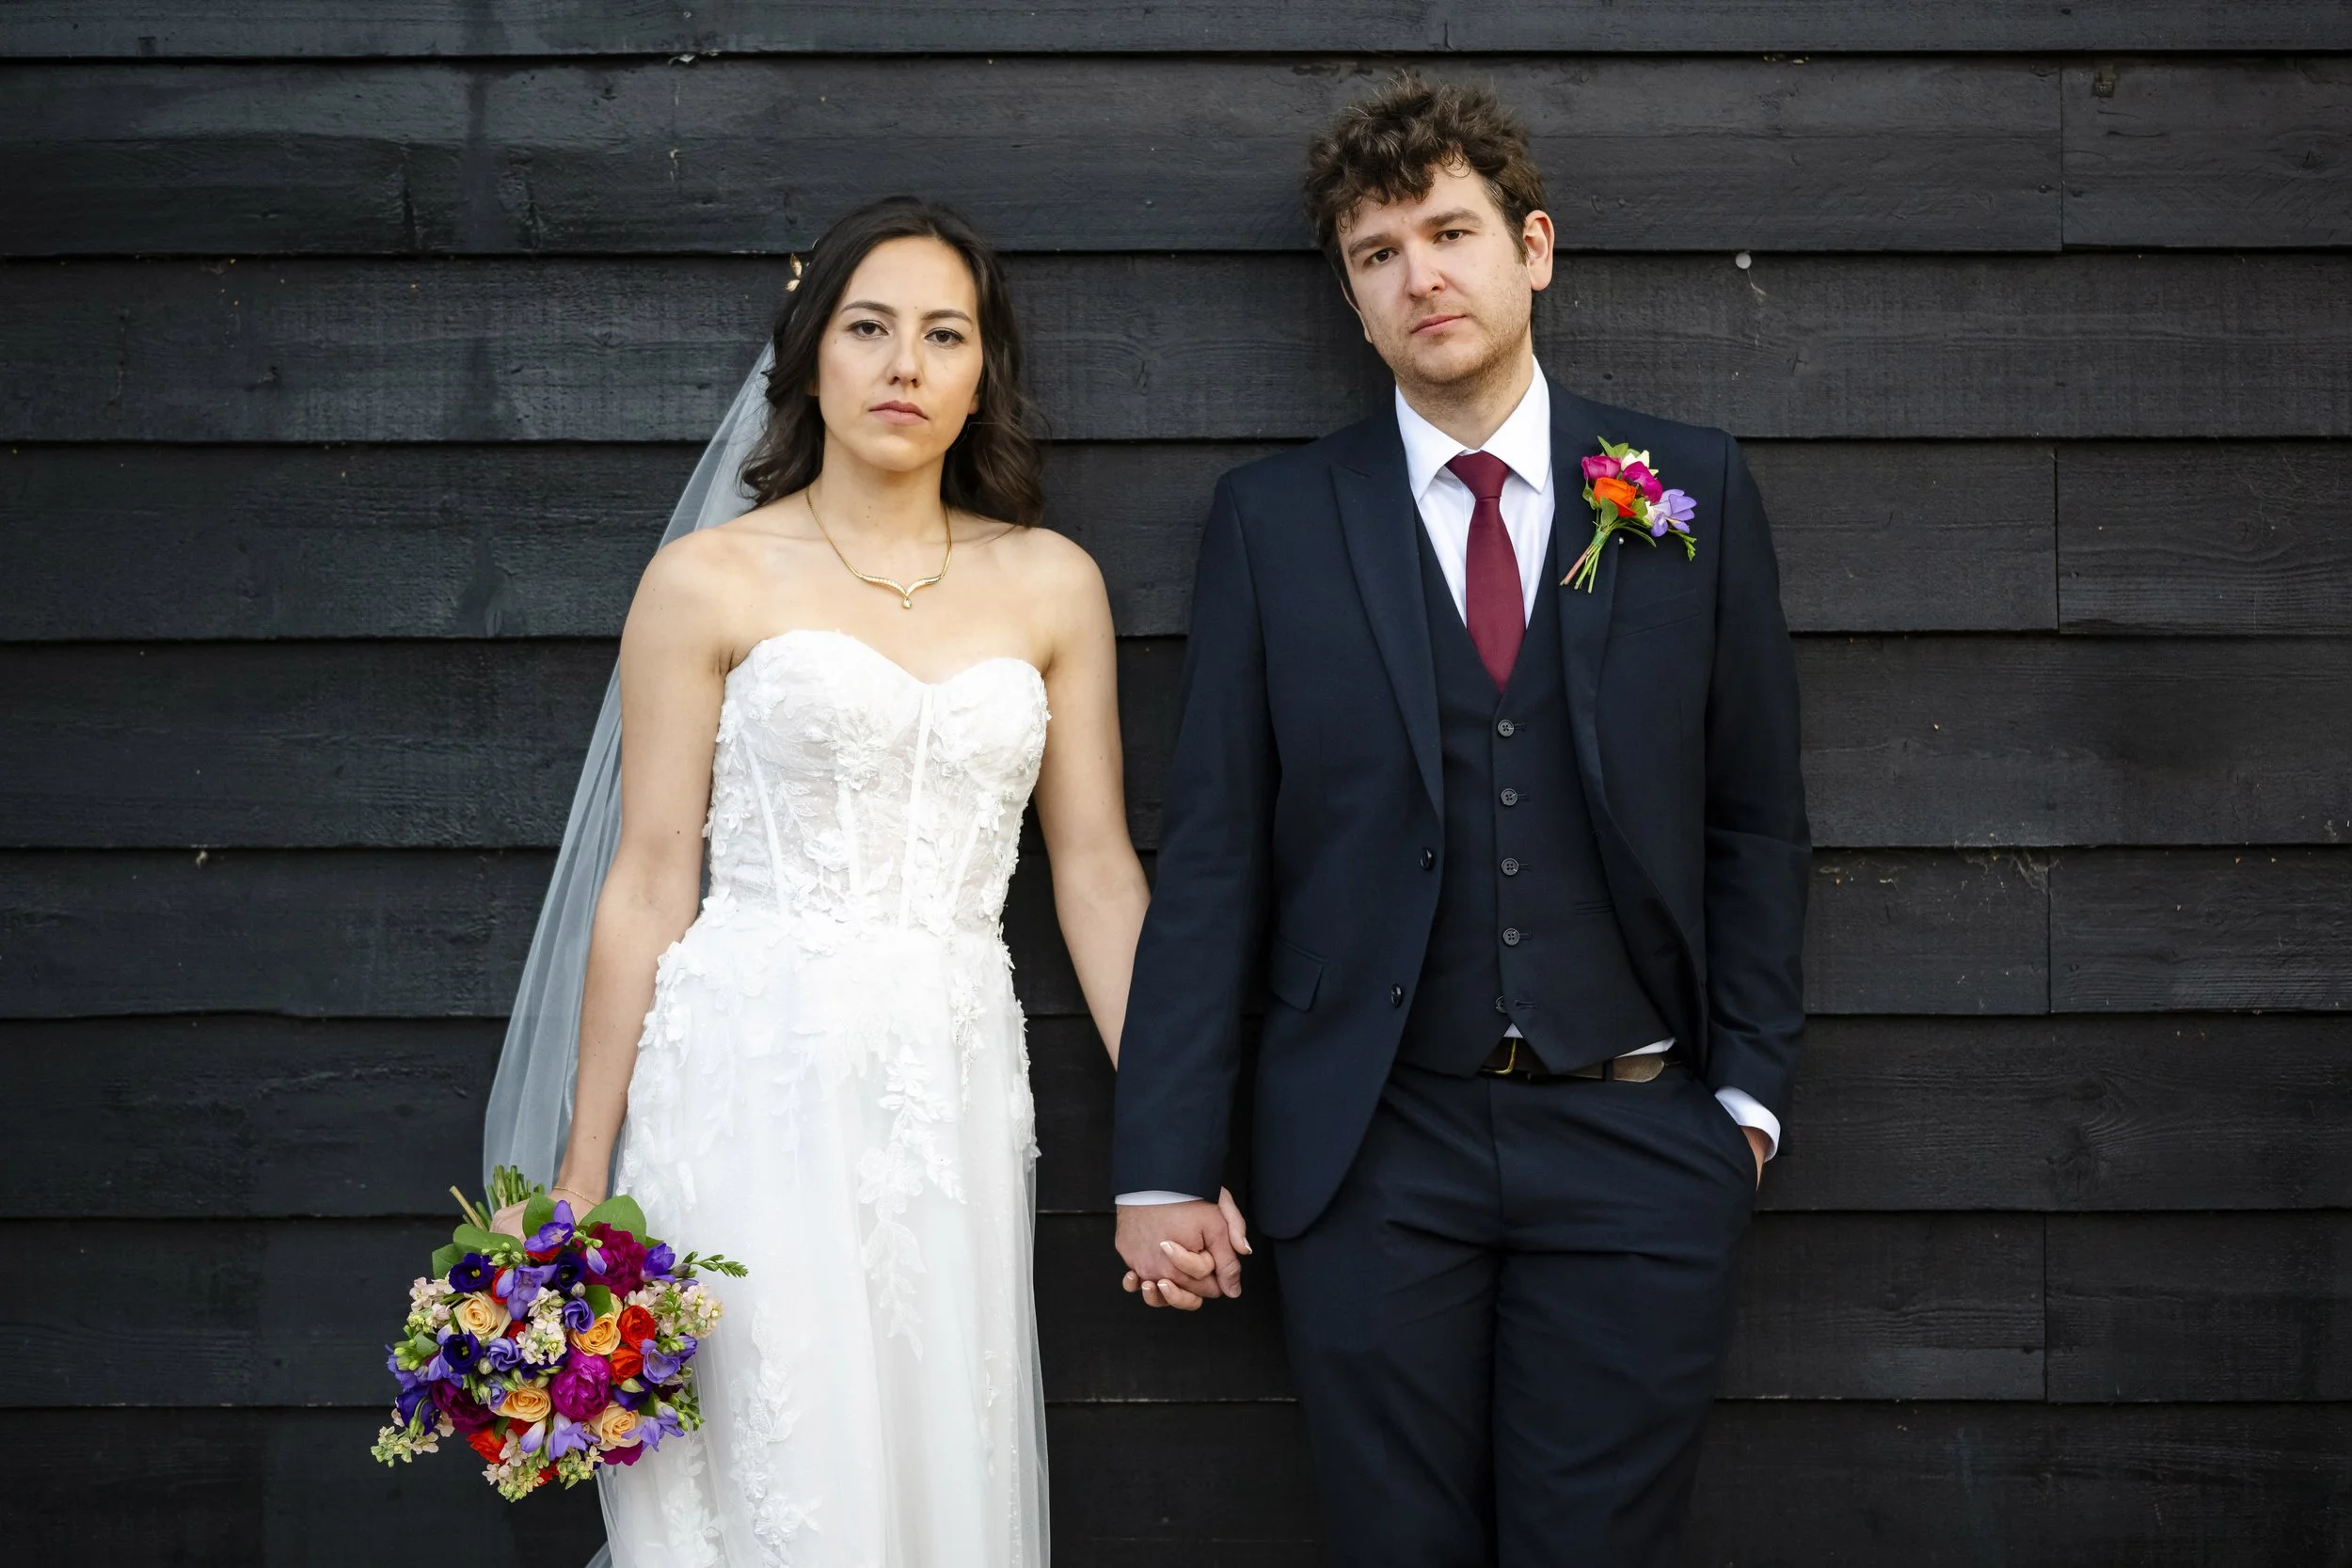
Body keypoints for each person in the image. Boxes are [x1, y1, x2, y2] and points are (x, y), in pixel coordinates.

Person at [481, 196, 1240, 1567]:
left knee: (938, 1457)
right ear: (812, 356)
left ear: (979, 373)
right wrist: (582, 1176)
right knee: (774, 1463)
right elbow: (650, 877)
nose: (905, 363)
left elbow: (1097, 876)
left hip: (948, 1075)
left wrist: (1174, 1136)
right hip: (746, 1067)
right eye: (870, 327)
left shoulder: (1050, 586)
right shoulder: (706, 582)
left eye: (944, 334)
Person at [1110, 80, 1810, 1564]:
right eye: (1376, 253)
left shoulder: (1688, 489)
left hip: (1638, 1129)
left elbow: (1754, 818)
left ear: (1532, 248)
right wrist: (1163, 1160)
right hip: (1375, 1148)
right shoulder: (1275, 520)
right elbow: (1220, 849)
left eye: (1450, 232)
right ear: (1353, 301)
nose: (1419, 274)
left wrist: (1743, 1102)